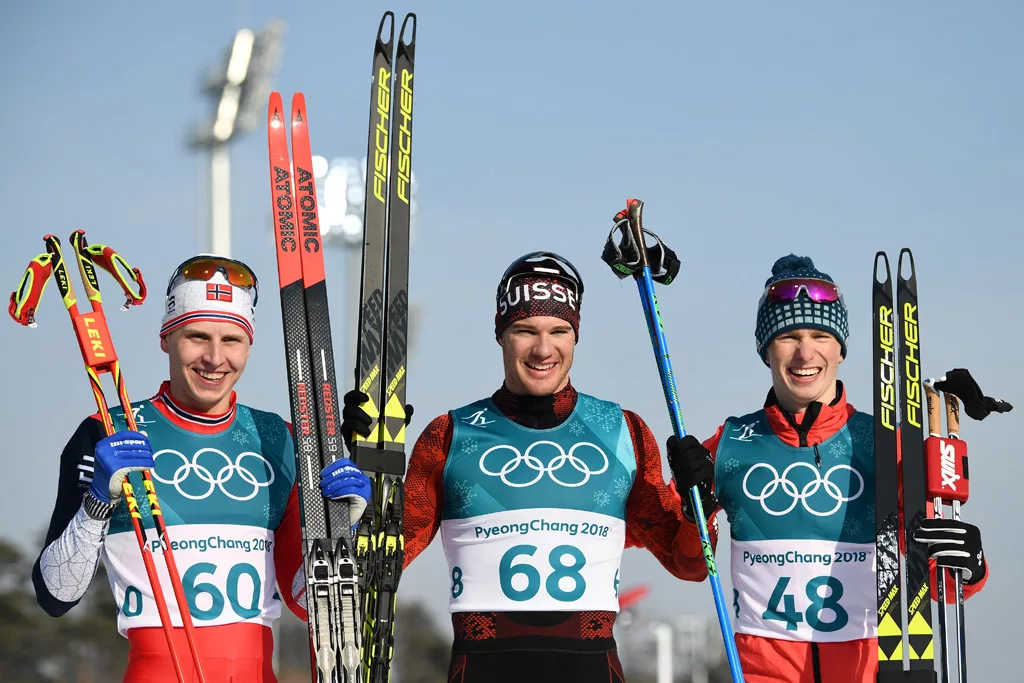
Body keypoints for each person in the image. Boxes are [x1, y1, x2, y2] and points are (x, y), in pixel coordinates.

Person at [336, 251, 715, 683]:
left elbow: (690, 564)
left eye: (559, 330)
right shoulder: (450, 435)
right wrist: (358, 472)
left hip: (591, 669)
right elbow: (377, 567)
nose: (543, 348)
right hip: (482, 667)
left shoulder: (622, 431)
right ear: (500, 334)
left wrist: (698, 506)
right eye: (524, 330)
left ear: (576, 336)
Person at [33, 255, 372, 683]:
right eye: (197, 336)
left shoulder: (282, 438)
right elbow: (55, 595)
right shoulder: (107, 431)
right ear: (166, 337)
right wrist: (98, 503)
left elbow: (306, 602)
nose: (215, 358)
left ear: (249, 346)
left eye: (232, 340)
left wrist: (344, 527)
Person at [664, 254, 990, 683]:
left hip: (869, 668)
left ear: (840, 348)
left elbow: (939, 586)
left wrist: (970, 563)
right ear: (766, 350)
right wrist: (695, 511)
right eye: (787, 336)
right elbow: (686, 562)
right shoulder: (728, 444)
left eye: (820, 334)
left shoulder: (886, 443)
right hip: (763, 672)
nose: (805, 353)